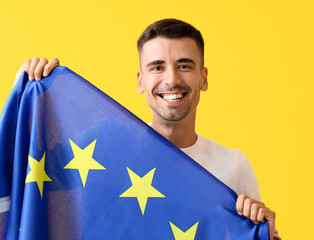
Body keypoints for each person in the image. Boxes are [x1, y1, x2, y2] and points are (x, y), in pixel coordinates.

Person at [12, 19, 280, 239]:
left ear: (204, 78)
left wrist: (269, 232)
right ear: (141, 81)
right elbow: (24, 177)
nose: (172, 79)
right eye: (157, 67)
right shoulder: (102, 147)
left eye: (184, 66)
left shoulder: (232, 167)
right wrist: (26, 95)